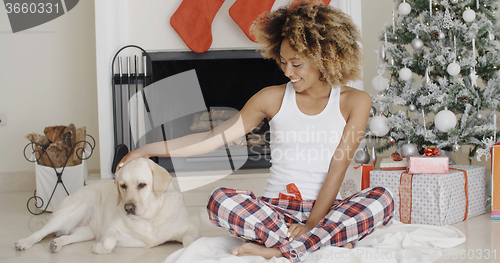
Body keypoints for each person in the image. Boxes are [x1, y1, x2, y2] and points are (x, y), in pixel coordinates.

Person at [117, 1, 394, 262]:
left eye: (296, 63)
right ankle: (319, 243)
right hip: (273, 212)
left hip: (326, 209)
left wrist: (310, 224)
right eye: (282, 61)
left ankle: (278, 251)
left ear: (324, 57)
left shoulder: (354, 101)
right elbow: (210, 139)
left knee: (382, 198)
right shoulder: (270, 98)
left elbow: (338, 165)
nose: (287, 71)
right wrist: (146, 149)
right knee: (219, 201)